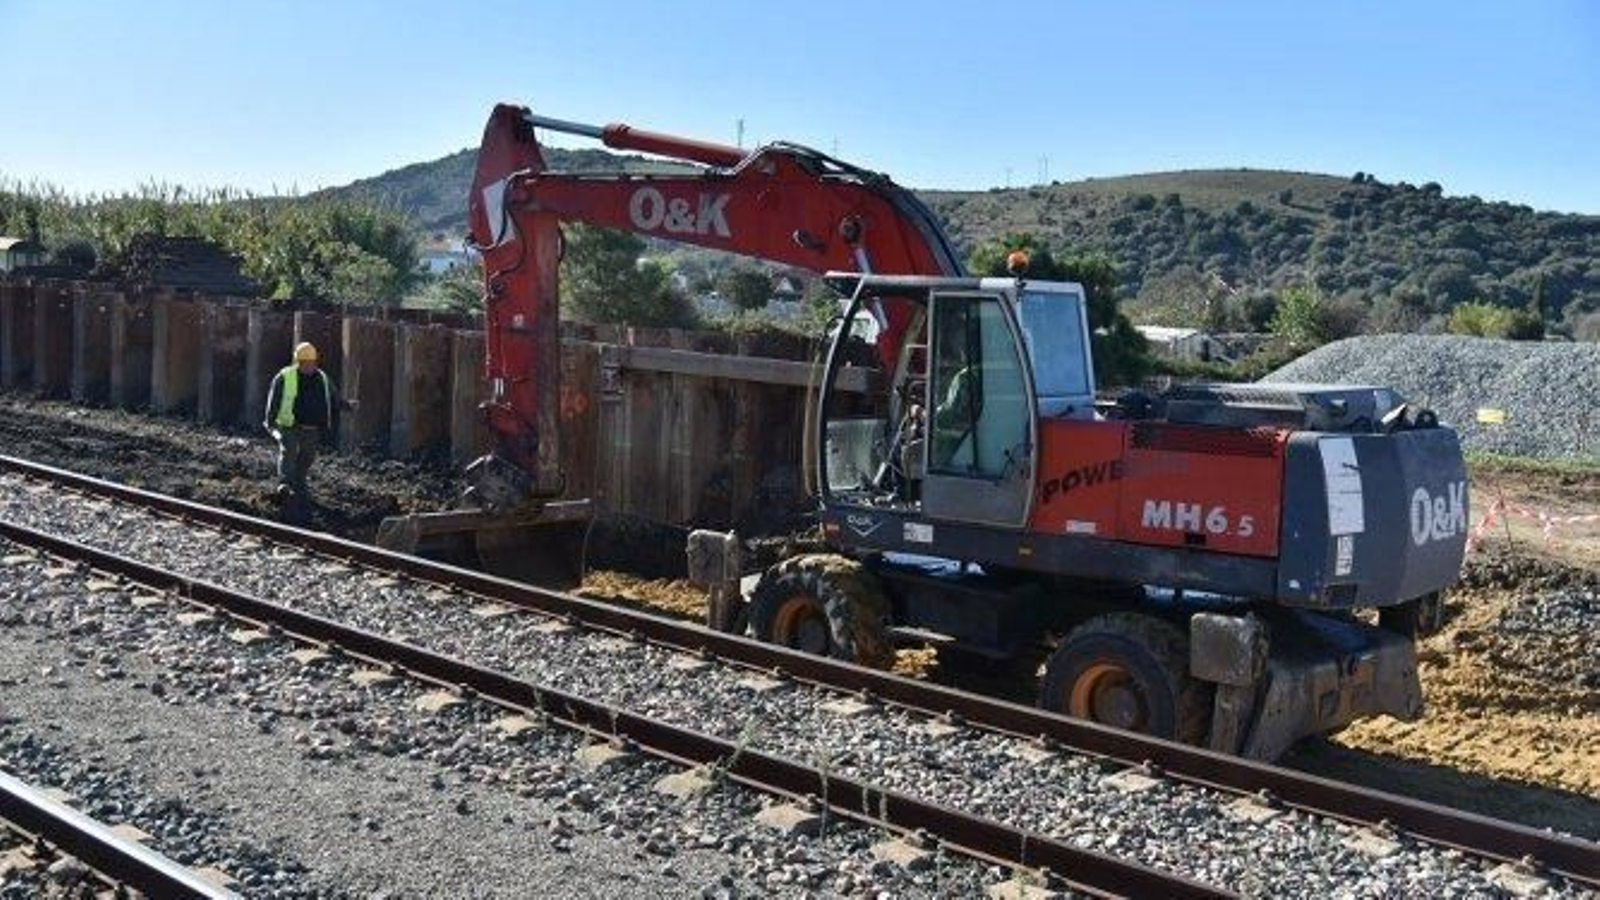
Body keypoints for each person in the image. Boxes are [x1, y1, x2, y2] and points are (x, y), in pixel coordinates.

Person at [262, 342, 350, 501]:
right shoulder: (284, 377)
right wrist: (270, 422)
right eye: (304, 363)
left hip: (312, 426)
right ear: (297, 362)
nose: (307, 366)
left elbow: (334, 397)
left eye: (310, 363)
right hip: (289, 424)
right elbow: (273, 400)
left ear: (315, 362)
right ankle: (285, 484)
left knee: (308, 455)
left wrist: (348, 406)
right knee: (288, 451)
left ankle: (299, 481)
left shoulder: (322, 378)